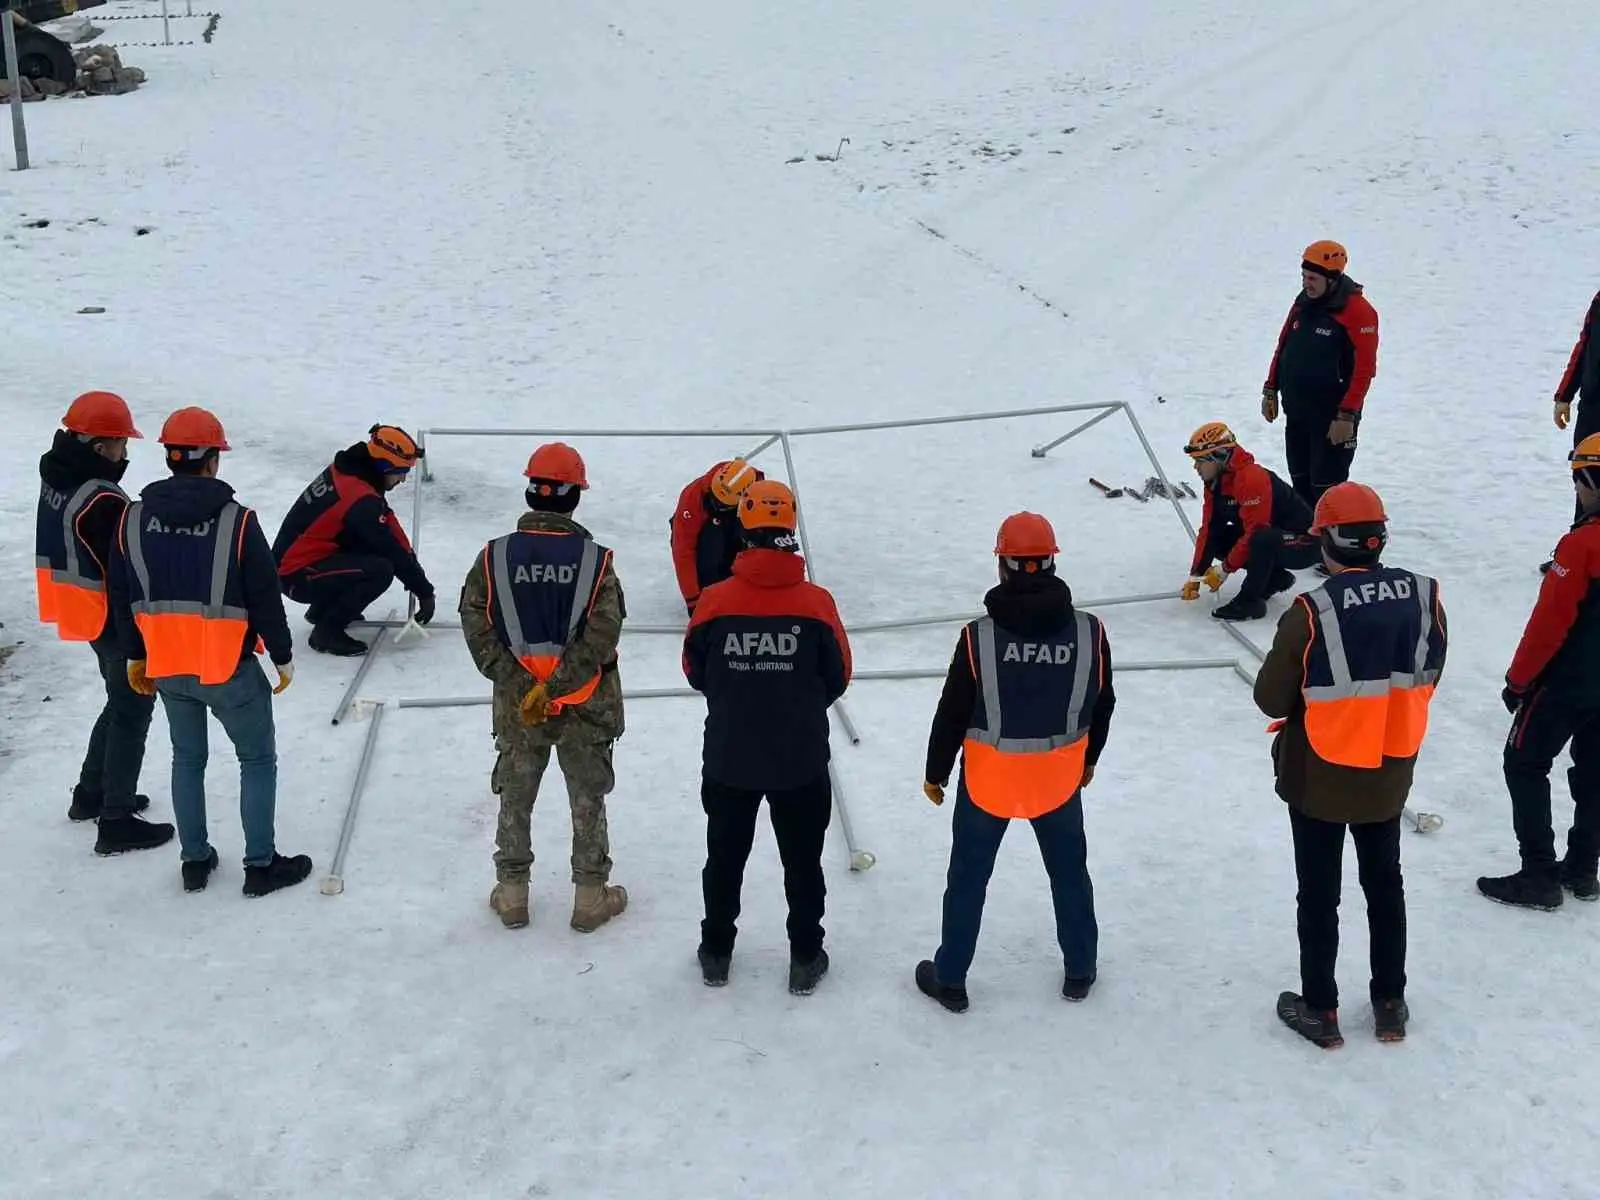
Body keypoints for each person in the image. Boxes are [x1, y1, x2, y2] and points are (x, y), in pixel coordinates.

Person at [1254, 482, 1447, 1048]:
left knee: (1319, 894)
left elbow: (1271, 697)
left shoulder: (1313, 610)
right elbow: (1427, 672)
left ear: (1326, 542)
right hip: (1389, 768)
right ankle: (1390, 1002)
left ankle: (1321, 1010)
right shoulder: (1425, 595)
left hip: (1319, 776)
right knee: (1385, 884)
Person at [914, 513, 1114, 1013]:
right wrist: (1088, 760)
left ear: (1003, 564)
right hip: (1059, 782)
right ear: (1050, 562)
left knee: (967, 879)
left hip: (989, 783)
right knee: (1069, 875)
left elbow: (953, 711)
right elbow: (1103, 701)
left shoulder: (977, 637)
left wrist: (936, 772)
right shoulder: (1090, 632)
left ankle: (952, 978)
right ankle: (1080, 970)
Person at [107, 407, 309, 896]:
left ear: (170, 458)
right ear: (213, 460)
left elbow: (122, 594)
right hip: (229, 669)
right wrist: (281, 657)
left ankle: (194, 862)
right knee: (257, 761)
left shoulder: (131, 519)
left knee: (187, 759)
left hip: (169, 668)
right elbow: (264, 594)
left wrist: (136, 655)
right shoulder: (238, 523)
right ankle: (260, 866)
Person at [683, 480, 851, 994]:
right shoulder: (817, 604)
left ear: (744, 530)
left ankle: (716, 952)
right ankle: (804, 955)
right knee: (803, 863)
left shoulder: (713, 602)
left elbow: (695, 669)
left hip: (730, 756)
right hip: (799, 760)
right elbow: (839, 674)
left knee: (725, 858)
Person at [459, 442, 629, 933]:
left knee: (515, 794)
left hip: (519, 707)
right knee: (587, 798)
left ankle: (512, 896)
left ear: (531, 492)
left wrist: (523, 685)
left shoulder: (493, 557)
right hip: (586, 702)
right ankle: (590, 898)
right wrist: (557, 683)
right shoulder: (596, 562)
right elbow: (603, 633)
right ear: (575, 497)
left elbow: (476, 622)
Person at [34, 391, 173, 854]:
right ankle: (116, 822)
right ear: (99, 448)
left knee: (117, 702)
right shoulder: (102, 499)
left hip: (82, 612)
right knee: (133, 709)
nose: (125, 453)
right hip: (113, 619)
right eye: (119, 444)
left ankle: (91, 793)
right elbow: (130, 566)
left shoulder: (56, 472)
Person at [1478, 434, 1600, 910]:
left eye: (1580, 479)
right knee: (1594, 769)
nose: (1577, 490)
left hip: (1567, 680)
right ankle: (1583, 868)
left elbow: (1549, 623)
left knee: (1524, 763)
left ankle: (1538, 875)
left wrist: (1518, 681)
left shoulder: (1581, 545)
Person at [272, 425, 435, 657]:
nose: (403, 479)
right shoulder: (359, 497)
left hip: (303, 561)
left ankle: (322, 611)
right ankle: (326, 633)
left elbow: (388, 526)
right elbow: (390, 549)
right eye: (400, 471)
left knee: (368, 547)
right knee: (380, 570)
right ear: (383, 466)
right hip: (295, 575)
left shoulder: (353, 473)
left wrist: (417, 576)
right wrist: (424, 592)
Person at [1261, 240, 1381, 507]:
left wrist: (1347, 415)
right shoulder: (1304, 302)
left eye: (1312, 278)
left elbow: (1365, 370)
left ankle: (1329, 542)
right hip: (1298, 413)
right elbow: (1283, 345)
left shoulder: (1359, 312)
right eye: (1303, 276)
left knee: (1326, 487)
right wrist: (1271, 388)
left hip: (1332, 419)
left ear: (1333, 278)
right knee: (1300, 481)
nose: (1306, 283)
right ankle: (1306, 541)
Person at [1180, 422, 1317, 621]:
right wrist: (1196, 574)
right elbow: (1209, 529)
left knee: (1261, 537)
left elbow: (1256, 531)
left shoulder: (1251, 478)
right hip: (1274, 537)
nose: (1196, 467)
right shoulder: (1215, 483)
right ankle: (1275, 579)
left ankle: (1250, 602)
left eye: (1200, 461)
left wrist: (1224, 569)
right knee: (1219, 538)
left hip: (1304, 544)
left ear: (1218, 457)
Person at [670, 459, 763, 614]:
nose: (715, 504)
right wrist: (693, 600)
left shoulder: (762, 498)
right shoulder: (693, 496)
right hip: (708, 537)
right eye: (714, 497)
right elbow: (683, 551)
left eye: (723, 504)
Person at [1550, 287, 1600, 542]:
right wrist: (1564, 396)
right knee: (1586, 477)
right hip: (1592, 409)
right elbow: (1583, 347)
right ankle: (1579, 550)